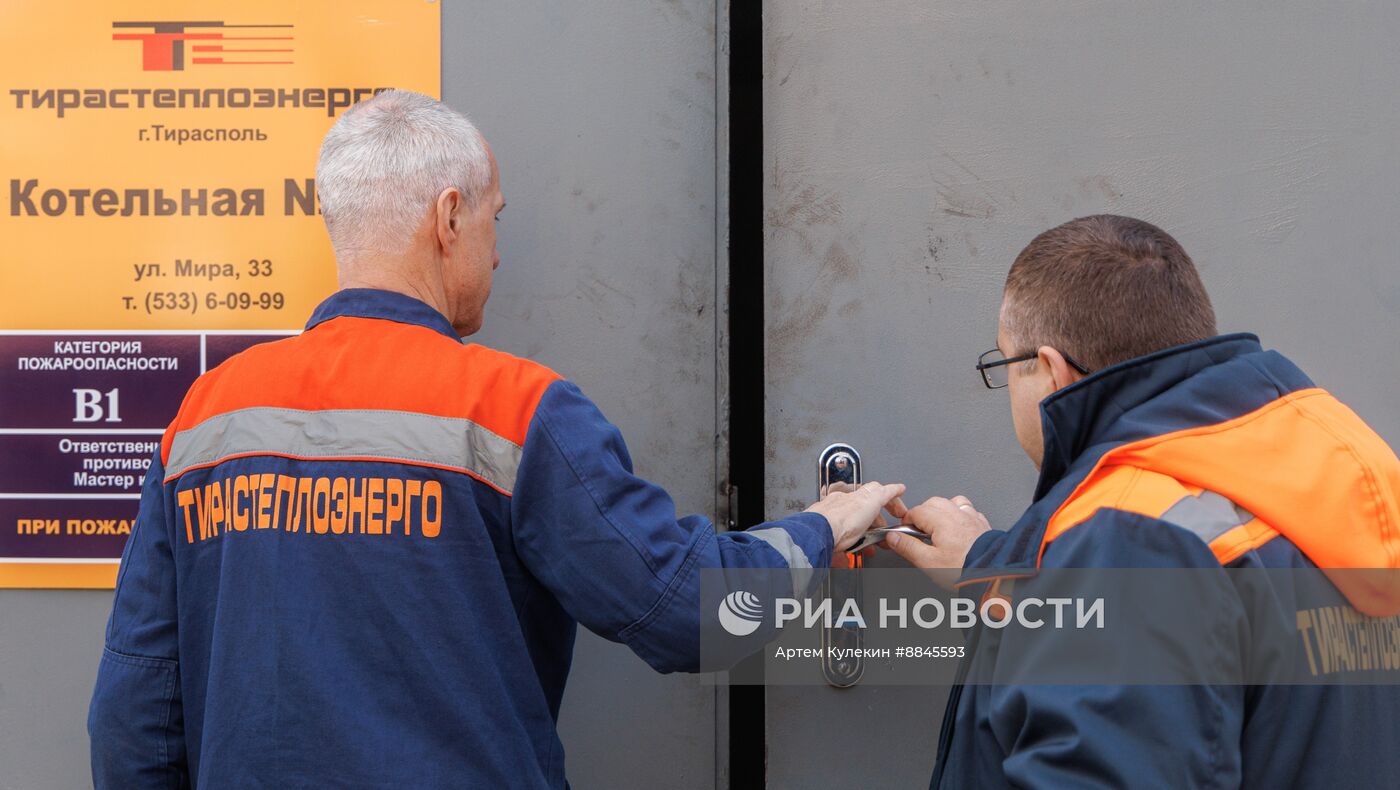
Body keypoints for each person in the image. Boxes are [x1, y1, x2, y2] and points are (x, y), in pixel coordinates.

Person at [86, 89, 905, 788]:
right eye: (493, 219)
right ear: (448, 217)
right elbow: (687, 613)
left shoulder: (209, 413)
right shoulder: (515, 409)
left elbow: (137, 710)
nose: (499, 251)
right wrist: (828, 524)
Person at [884, 215, 1400, 788]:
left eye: (1005, 365)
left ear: (1051, 373)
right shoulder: (1331, 483)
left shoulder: (1129, 542)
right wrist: (994, 568)